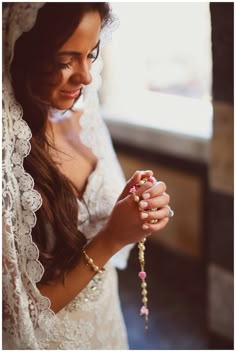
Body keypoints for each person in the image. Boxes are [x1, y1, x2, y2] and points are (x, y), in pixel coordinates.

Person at [2, 2, 172, 349]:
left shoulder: (82, 117)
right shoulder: (8, 150)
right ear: (24, 56)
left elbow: (108, 223)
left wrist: (139, 209)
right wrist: (110, 238)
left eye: (90, 54)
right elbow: (16, 320)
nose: (86, 76)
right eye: (65, 60)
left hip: (106, 328)